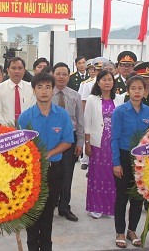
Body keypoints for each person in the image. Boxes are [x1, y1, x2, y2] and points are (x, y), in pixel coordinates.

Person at [18, 72, 74, 251]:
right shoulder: (25, 117)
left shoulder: (62, 115)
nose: (44, 91)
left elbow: (67, 141)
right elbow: (19, 146)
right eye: (40, 87)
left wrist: (48, 154)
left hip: (53, 171)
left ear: (53, 90)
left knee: (48, 215)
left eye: (48, 87)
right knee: (32, 215)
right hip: (30, 173)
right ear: (34, 90)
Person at [111, 76, 149, 248]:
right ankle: (120, 231)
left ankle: (132, 230)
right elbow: (114, 139)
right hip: (123, 157)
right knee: (122, 197)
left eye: (140, 89)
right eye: (133, 88)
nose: (137, 92)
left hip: (142, 160)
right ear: (128, 91)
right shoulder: (120, 111)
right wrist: (116, 163)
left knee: (138, 197)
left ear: (145, 92)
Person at [84, 70, 124, 219]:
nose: (107, 82)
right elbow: (87, 122)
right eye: (104, 79)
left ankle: (112, 207)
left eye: (110, 79)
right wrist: (87, 143)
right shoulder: (92, 99)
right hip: (98, 142)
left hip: (114, 143)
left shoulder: (119, 99)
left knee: (114, 174)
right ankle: (96, 207)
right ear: (98, 82)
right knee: (98, 174)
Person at [51, 62, 84, 222]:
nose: (61, 77)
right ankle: (50, 204)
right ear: (53, 75)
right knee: (51, 174)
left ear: (68, 76)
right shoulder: (47, 93)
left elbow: (80, 120)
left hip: (70, 139)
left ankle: (64, 206)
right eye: (58, 73)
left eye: (64, 74)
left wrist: (80, 142)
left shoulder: (74, 95)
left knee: (67, 174)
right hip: (51, 139)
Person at [0, 57, 36, 125]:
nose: (17, 71)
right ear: (8, 70)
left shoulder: (31, 88)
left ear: (24, 71)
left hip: (27, 130)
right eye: (13, 68)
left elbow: (33, 111)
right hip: (6, 131)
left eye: (20, 68)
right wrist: (8, 130)